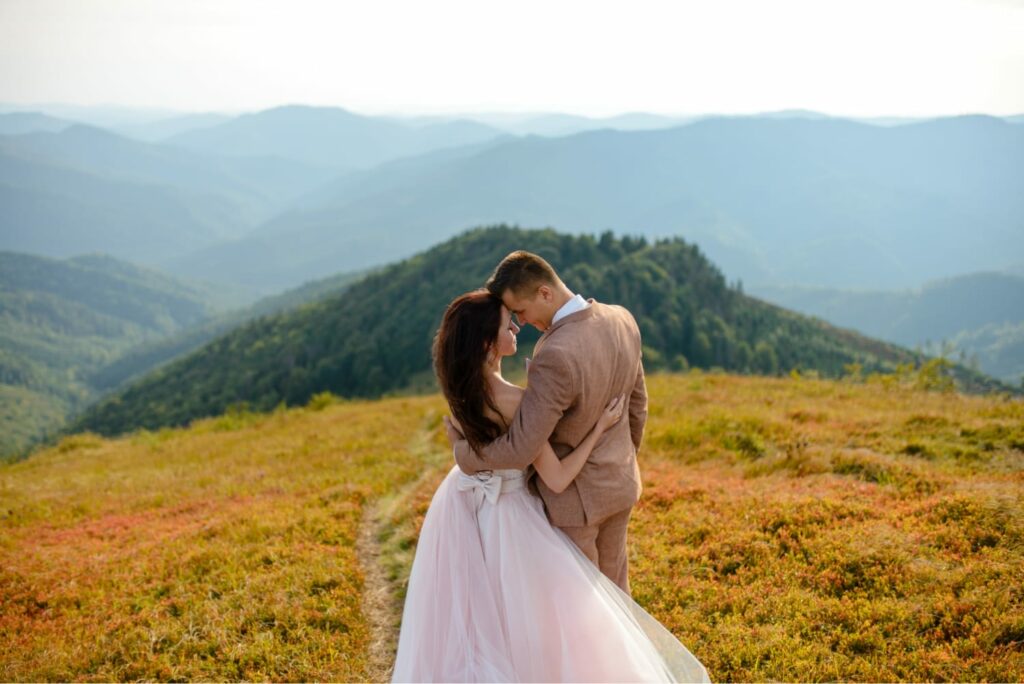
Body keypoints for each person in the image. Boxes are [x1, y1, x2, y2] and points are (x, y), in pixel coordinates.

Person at [390, 289, 709, 683]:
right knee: (553, 619)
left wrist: (460, 449)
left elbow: (479, 451)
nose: (517, 326)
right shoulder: (515, 401)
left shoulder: (462, 394)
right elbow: (556, 477)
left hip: (467, 505)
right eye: (509, 322)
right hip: (514, 515)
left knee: (486, 619)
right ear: (490, 342)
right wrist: (597, 431)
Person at [450, 250, 647, 593]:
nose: (521, 322)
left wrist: (464, 455)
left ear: (545, 293)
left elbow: (523, 447)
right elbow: (638, 405)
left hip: (576, 502)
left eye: (521, 311)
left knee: (585, 605)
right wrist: (623, 460)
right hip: (622, 484)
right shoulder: (622, 318)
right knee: (618, 595)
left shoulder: (555, 353)